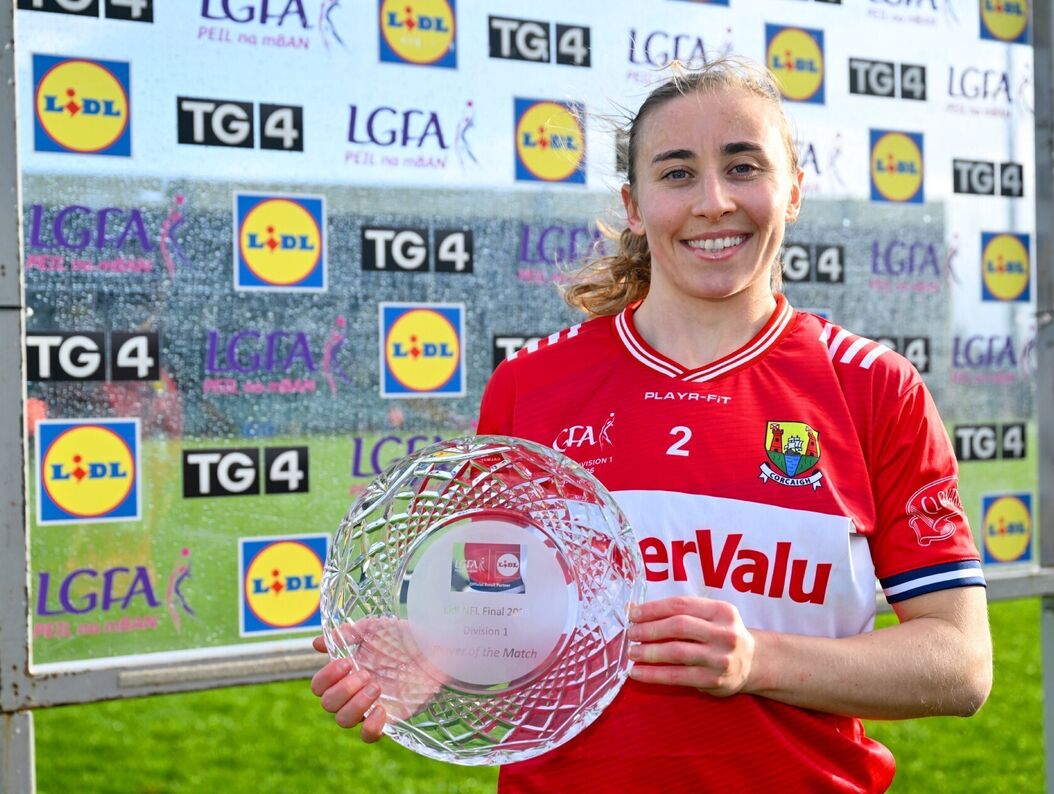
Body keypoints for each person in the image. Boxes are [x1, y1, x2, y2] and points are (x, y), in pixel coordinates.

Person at [311, 58, 992, 792]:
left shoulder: (872, 388)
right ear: (635, 206)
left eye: (743, 166)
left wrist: (757, 660)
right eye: (677, 174)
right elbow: (507, 621)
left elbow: (959, 664)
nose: (713, 202)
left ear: (792, 191)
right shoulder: (532, 388)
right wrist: (442, 656)